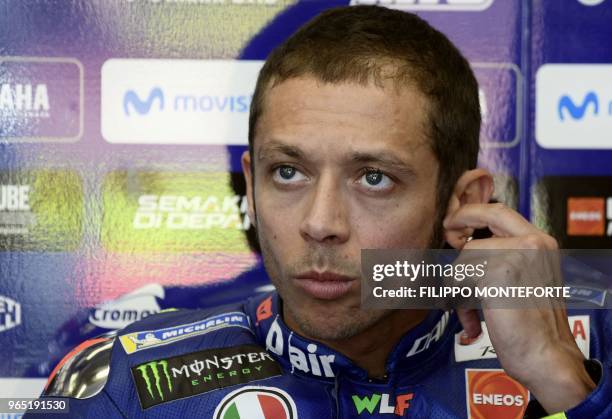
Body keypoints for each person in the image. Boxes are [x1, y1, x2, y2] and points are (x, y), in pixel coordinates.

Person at [27, 5, 610, 418]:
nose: (320, 222)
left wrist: (565, 385)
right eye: (289, 172)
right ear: (251, 186)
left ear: (464, 203)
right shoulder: (126, 384)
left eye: (374, 178)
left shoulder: (593, 354)